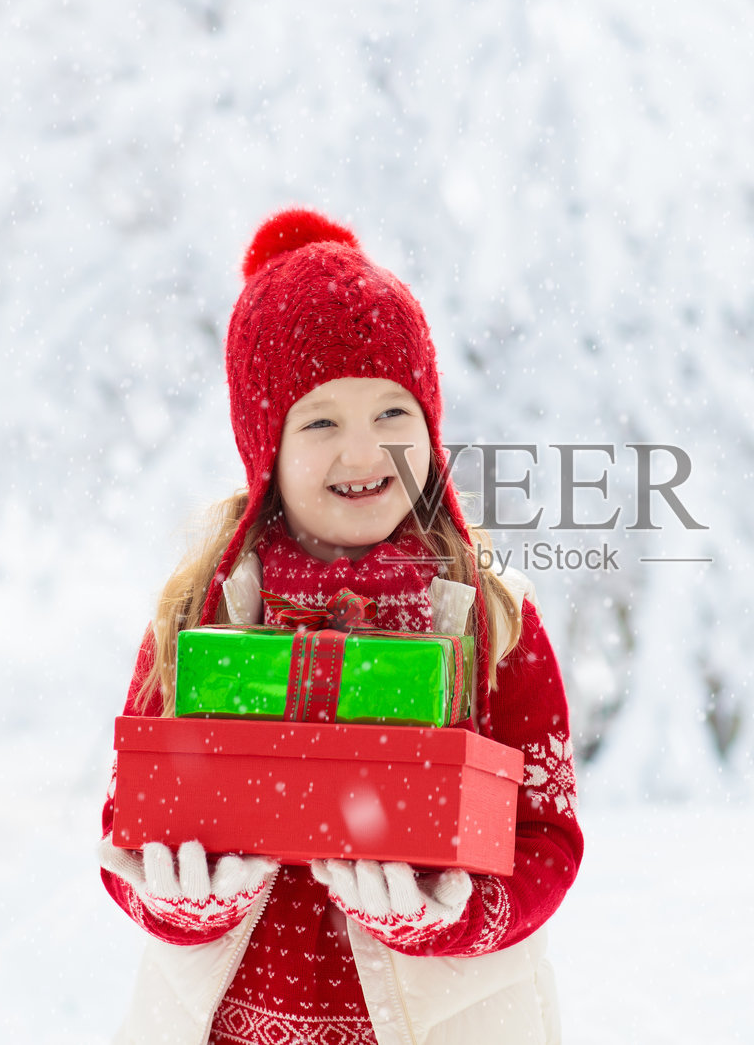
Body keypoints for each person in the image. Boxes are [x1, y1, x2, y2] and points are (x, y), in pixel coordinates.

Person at [95, 208, 584, 1045]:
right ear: (265, 446)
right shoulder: (202, 613)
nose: (365, 453)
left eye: (393, 414)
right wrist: (181, 904)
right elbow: (130, 825)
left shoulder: (491, 617)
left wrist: (457, 915)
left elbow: (547, 837)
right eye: (321, 422)